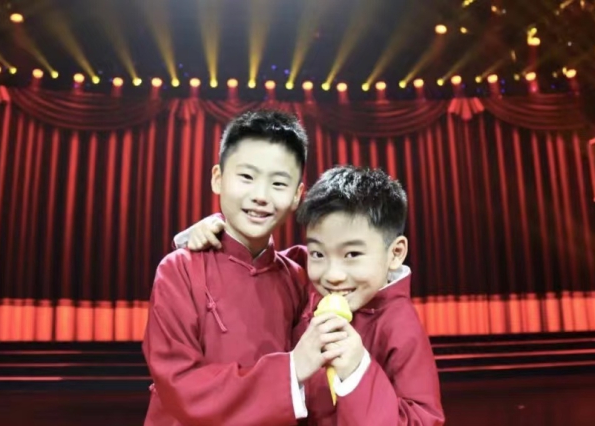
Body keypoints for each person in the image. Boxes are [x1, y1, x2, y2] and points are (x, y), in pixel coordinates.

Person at [179, 166, 445, 425]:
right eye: (318, 253)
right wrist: (215, 237)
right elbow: (256, 266)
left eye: (352, 254)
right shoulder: (303, 275)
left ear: (395, 253)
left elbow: (423, 419)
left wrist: (357, 370)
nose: (332, 275)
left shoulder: (400, 327)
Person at [143, 110, 352, 426]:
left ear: (297, 195)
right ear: (218, 178)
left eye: (278, 183)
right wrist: (291, 369)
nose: (260, 196)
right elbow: (178, 383)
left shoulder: (297, 277)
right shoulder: (179, 270)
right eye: (246, 177)